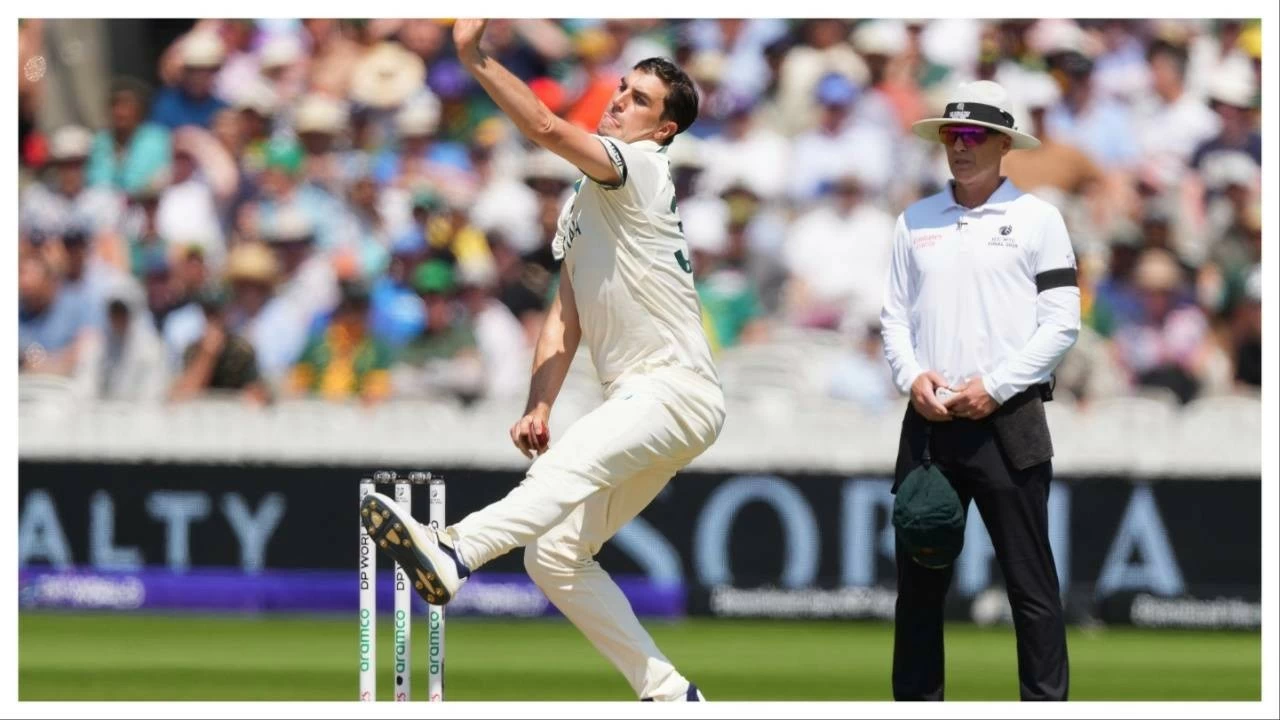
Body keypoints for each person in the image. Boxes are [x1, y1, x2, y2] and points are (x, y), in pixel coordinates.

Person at [360, 19, 723, 702]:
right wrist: (540, 402)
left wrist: (475, 59)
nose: (619, 101)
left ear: (664, 130)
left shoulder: (640, 167)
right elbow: (565, 314)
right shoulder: (587, 200)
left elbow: (550, 129)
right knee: (554, 556)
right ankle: (670, 694)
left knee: (568, 467)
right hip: (647, 399)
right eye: (621, 88)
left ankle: (456, 549)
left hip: (673, 389)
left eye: (639, 99)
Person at [880, 80, 1079, 701]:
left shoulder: (1038, 218)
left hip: (1009, 421)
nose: (959, 147)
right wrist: (913, 377)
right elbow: (893, 317)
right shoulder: (914, 220)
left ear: (1002, 143)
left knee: (1031, 585)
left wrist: (994, 387)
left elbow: (1063, 322)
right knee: (918, 589)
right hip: (931, 424)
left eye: (973, 136)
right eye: (951, 135)